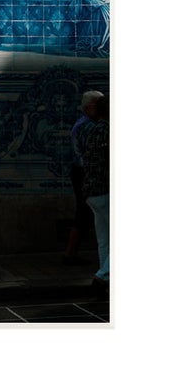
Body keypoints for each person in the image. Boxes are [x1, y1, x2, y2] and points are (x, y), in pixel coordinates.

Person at [74, 91, 110, 294]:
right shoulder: (109, 131)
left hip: (91, 190)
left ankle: (105, 273)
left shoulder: (90, 129)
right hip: (106, 189)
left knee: (104, 239)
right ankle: (103, 274)